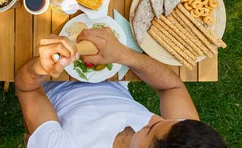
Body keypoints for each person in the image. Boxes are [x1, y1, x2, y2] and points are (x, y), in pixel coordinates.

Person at [15, 28, 226, 148]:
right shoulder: (181, 136)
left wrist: (42, 66)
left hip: (52, 81)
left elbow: (28, 89)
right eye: (163, 120)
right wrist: (123, 54)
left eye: (151, 129)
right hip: (111, 76)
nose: (153, 118)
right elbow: (172, 87)